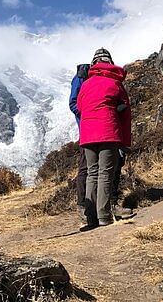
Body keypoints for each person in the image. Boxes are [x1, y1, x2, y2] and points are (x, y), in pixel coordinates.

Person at [77, 48, 132, 229]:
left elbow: (80, 106)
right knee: (105, 174)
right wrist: (125, 142)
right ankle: (104, 216)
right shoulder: (115, 83)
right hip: (108, 132)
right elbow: (126, 112)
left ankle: (91, 216)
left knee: (92, 174)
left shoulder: (85, 84)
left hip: (87, 135)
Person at [68, 64, 90, 222]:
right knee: (85, 168)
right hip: (87, 130)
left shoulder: (95, 76)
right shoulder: (82, 76)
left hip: (100, 129)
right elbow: (73, 103)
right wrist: (88, 115)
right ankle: (82, 205)